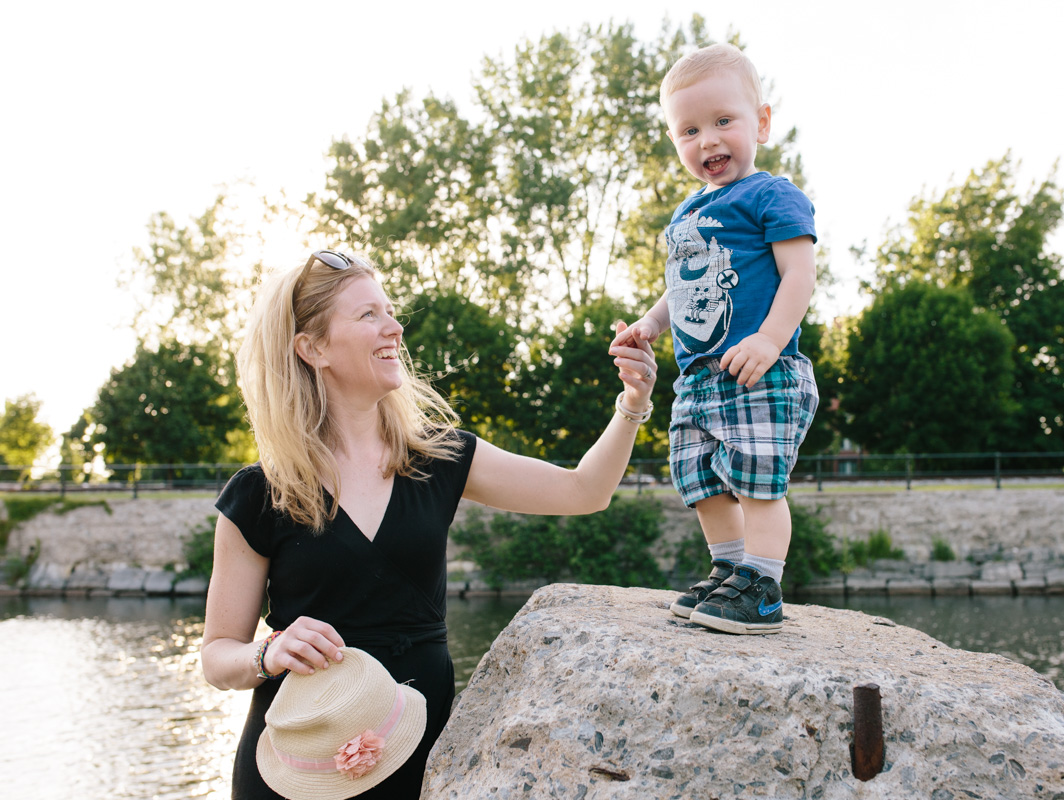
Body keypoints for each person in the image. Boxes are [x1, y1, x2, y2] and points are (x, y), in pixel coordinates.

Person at [201, 249, 657, 799]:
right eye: (368, 315)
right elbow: (217, 656)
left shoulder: (442, 458)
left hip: (418, 754)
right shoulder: (259, 493)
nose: (394, 327)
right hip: (297, 769)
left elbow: (585, 491)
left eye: (389, 311)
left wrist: (632, 402)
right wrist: (266, 653)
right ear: (313, 347)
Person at [610, 43, 819, 635]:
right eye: (689, 130)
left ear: (762, 122)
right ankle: (729, 569)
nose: (708, 141)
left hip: (761, 369)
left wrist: (772, 340)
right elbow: (678, 288)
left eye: (723, 121)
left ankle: (764, 583)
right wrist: (651, 324)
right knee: (698, 477)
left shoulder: (772, 195)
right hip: (700, 378)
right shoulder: (685, 213)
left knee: (758, 477)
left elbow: (799, 276)